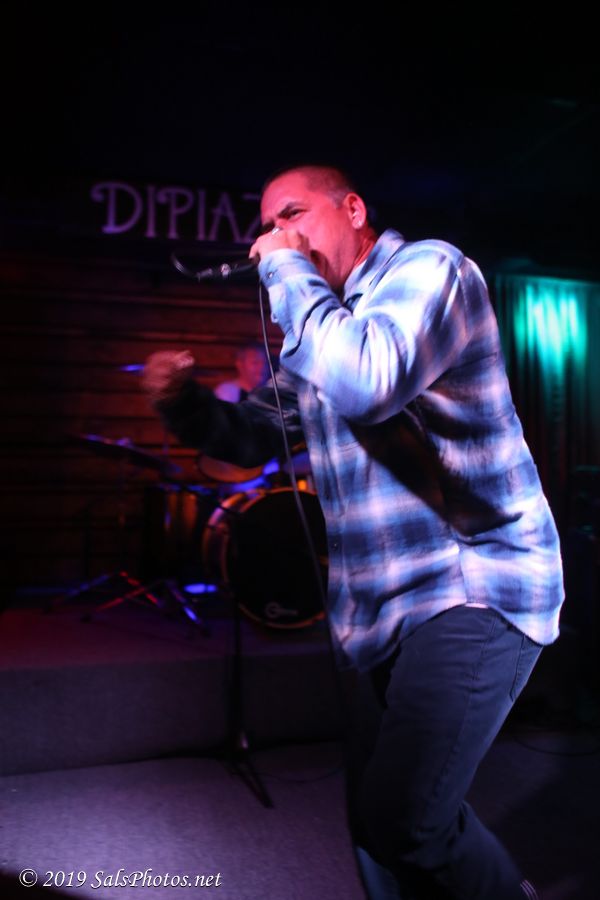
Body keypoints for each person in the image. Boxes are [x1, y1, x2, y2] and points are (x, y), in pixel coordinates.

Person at [142, 164, 564, 899]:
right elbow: (251, 437)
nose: (277, 236)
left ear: (354, 209)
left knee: (405, 822)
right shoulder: (320, 331)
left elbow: (370, 380)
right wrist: (184, 404)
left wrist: (287, 275)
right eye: (268, 226)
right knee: (374, 828)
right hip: (376, 612)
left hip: (472, 586)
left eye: (294, 214)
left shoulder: (429, 272)